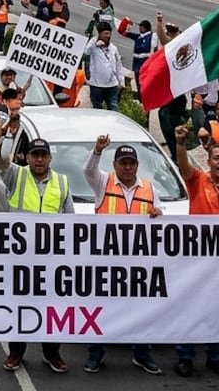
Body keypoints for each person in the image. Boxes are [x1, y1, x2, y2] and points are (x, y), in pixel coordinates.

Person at [0, 127, 70, 374]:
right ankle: (16, 352)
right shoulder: (16, 175)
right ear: (27, 157)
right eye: (35, 155)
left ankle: (51, 353)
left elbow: (72, 222)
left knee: (52, 307)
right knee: (19, 305)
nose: (39, 160)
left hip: (51, 260)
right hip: (21, 258)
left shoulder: (62, 182)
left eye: (43, 155)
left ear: (50, 158)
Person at [170, 125, 219, 378]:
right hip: (195, 263)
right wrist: (180, 144)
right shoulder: (198, 180)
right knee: (191, 309)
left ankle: (216, 357)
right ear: (209, 162)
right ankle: (185, 357)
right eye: (216, 158)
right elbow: (184, 167)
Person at [84, 137, 162, 375]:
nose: (127, 167)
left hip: (138, 263)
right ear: (115, 165)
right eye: (123, 163)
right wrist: (97, 150)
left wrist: (158, 213)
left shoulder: (149, 188)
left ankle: (142, 354)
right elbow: (88, 170)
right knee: (102, 309)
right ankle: (95, 354)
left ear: (137, 165)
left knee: (141, 311)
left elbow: (159, 220)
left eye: (131, 163)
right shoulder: (103, 182)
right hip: (107, 261)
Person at [85, 23, 123, 110]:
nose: (108, 36)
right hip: (96, 85)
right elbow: (86, 52)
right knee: (97, 109)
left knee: (113, 109)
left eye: (109, 34)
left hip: (112, 85)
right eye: (105, 34)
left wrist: (121, 81)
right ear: (100, 34)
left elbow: (118, 65)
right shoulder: (93, 47)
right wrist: (95, 42)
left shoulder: (113, 48)